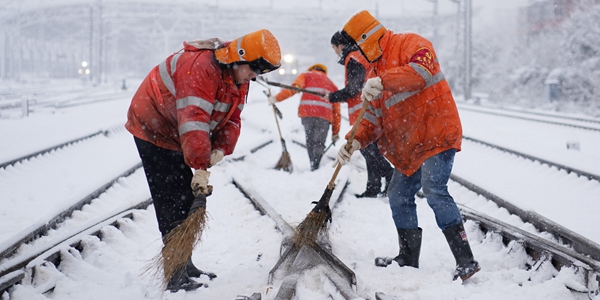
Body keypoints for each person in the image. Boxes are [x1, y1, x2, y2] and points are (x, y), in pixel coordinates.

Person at [125, 29, 281, 292]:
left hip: (178, 131)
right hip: (154, 128)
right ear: (239, 58)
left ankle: (186, 264)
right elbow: (194, 118)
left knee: (186, 198)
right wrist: (200, 165)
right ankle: (175, 272)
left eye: (260, 73)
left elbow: (233, 117)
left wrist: (220, 148)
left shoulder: (238, 77)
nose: (254, 77)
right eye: (254, 70)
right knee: (172, 198)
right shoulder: (200, 67)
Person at [333, 10, 480, 281]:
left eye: (360, 49)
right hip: (411, 147)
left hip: (436, 134)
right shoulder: (374, 74)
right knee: (398, 194)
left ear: (367, 40)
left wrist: (384, 81)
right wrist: (353, 142)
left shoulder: (410, 43)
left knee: (434, 189)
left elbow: (420, 73)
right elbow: (373, 121)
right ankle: (408, 258)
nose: (360, 57)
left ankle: (466, 260)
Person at [324, 31, 393, 198]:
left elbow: (354, 88)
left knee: (370, 152)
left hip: (366, 113)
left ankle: (389, 178)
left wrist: (333, 96)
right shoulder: (359, 56)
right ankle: (375, 187)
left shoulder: (353, 59)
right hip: (370, 111)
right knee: (370, 151)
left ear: (340, 46)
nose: (335, 52)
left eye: (334, 48)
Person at [268, 64, 341, 171]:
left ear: (312, 69)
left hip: (308, 114)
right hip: (324, 117)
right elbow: (336, 112)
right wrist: (335, 133)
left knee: (310, 141)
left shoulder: (306, 75)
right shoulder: (331, 84)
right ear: (324, 72)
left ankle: (313, 163)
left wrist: (276, 98)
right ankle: (316, 165)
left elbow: (293, 89)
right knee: (319, 142)